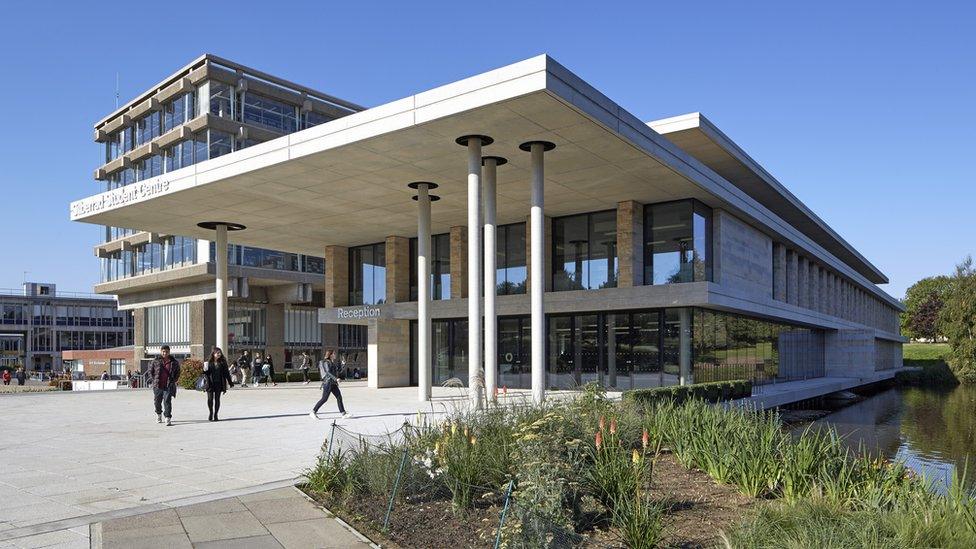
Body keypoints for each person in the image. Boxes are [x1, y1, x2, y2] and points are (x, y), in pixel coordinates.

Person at [310, 349, 350, 419]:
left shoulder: (332, 362)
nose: (335, 355)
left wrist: (343, 364)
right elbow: (328, 372)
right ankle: (313, 412)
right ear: (330, 355)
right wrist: (336, 379)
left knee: (339, 397)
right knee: (324, 399)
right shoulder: (326, 362)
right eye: (334, 354)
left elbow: (338, 371)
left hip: (333, 383)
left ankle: (343, 414)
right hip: (328, 383)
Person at [147, 345, 180, 426]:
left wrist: (174, 380)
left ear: (169, 352)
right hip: (158, 385)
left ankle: (167, 417)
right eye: (163, 351)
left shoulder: (174, 362)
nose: (165, 353)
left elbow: (178, 372)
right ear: (161, 352)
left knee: (167, 401)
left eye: (167, 351)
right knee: (157, 402)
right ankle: (159, 414)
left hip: (168, 385)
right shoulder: (155, 361)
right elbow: (150, 371)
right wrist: (153, 379)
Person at [203, 347, 233, 421]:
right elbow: (205, 373)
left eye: (220, 353)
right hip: (210, 383)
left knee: (217, 399)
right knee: (210, 399)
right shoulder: (208, 362)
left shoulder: (222, 362)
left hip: (219, 383)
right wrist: (204, 369)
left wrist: (230, 382)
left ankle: (216, 414)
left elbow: (226, 373)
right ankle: (211, 412)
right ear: (213, 354)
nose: (219, 354)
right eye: (217, 353)